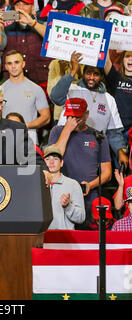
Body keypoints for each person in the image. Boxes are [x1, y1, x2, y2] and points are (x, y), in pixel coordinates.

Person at [50, 51, 129, 169]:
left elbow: (114, 133)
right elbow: (55, 97)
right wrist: (73, 72)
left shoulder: (109, 99)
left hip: (92, 150)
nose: (91, 77)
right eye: (88, 73)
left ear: (102, 77)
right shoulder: (72, 89)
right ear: (83, 73)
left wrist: (120, 151)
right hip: (68, 144)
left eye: (96, 74)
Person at [48, 97, 112, 229]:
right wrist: (67, 130)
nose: (73, 121)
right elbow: (54, 156)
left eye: (77, 117)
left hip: (89, 196)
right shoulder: (57, 131)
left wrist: (90, 185)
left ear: (86, 115)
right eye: (69, 117)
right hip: (61, 196)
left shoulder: (98, 136)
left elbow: (107, 173)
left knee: (88, 241)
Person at [0, 0, 52, 86]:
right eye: (17, 5)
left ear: (33, 7)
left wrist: (32, 23)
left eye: (25, 4)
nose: (21, 8)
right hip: (13, 83)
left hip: (41, 82)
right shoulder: (7, 29)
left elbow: (52, 37)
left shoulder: (43, 25)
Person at [2, 50, 50, 145]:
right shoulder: (0, 90)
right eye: (9, 63)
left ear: (23, 64)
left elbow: (46, 117)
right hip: (5, 139)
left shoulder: (36, 89)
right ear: (6, 67)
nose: (13, 66)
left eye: (17, 62)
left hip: (29, 139)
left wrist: (24, 126)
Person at [43, 145, 85, 229]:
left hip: (64, 239)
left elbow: (81, 218)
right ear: (44, 163)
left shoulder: (72, 184)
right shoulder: (38, 184)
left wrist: (67, 206)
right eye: (47, 159)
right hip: (41, 237)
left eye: (55, 159)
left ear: (61, 163)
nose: (51, 162)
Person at [104, 50, 132, 143]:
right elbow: (106, 61)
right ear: (122, 60)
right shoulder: (115, 77)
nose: (130, 59)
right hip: (116, 130)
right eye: (127, 56)